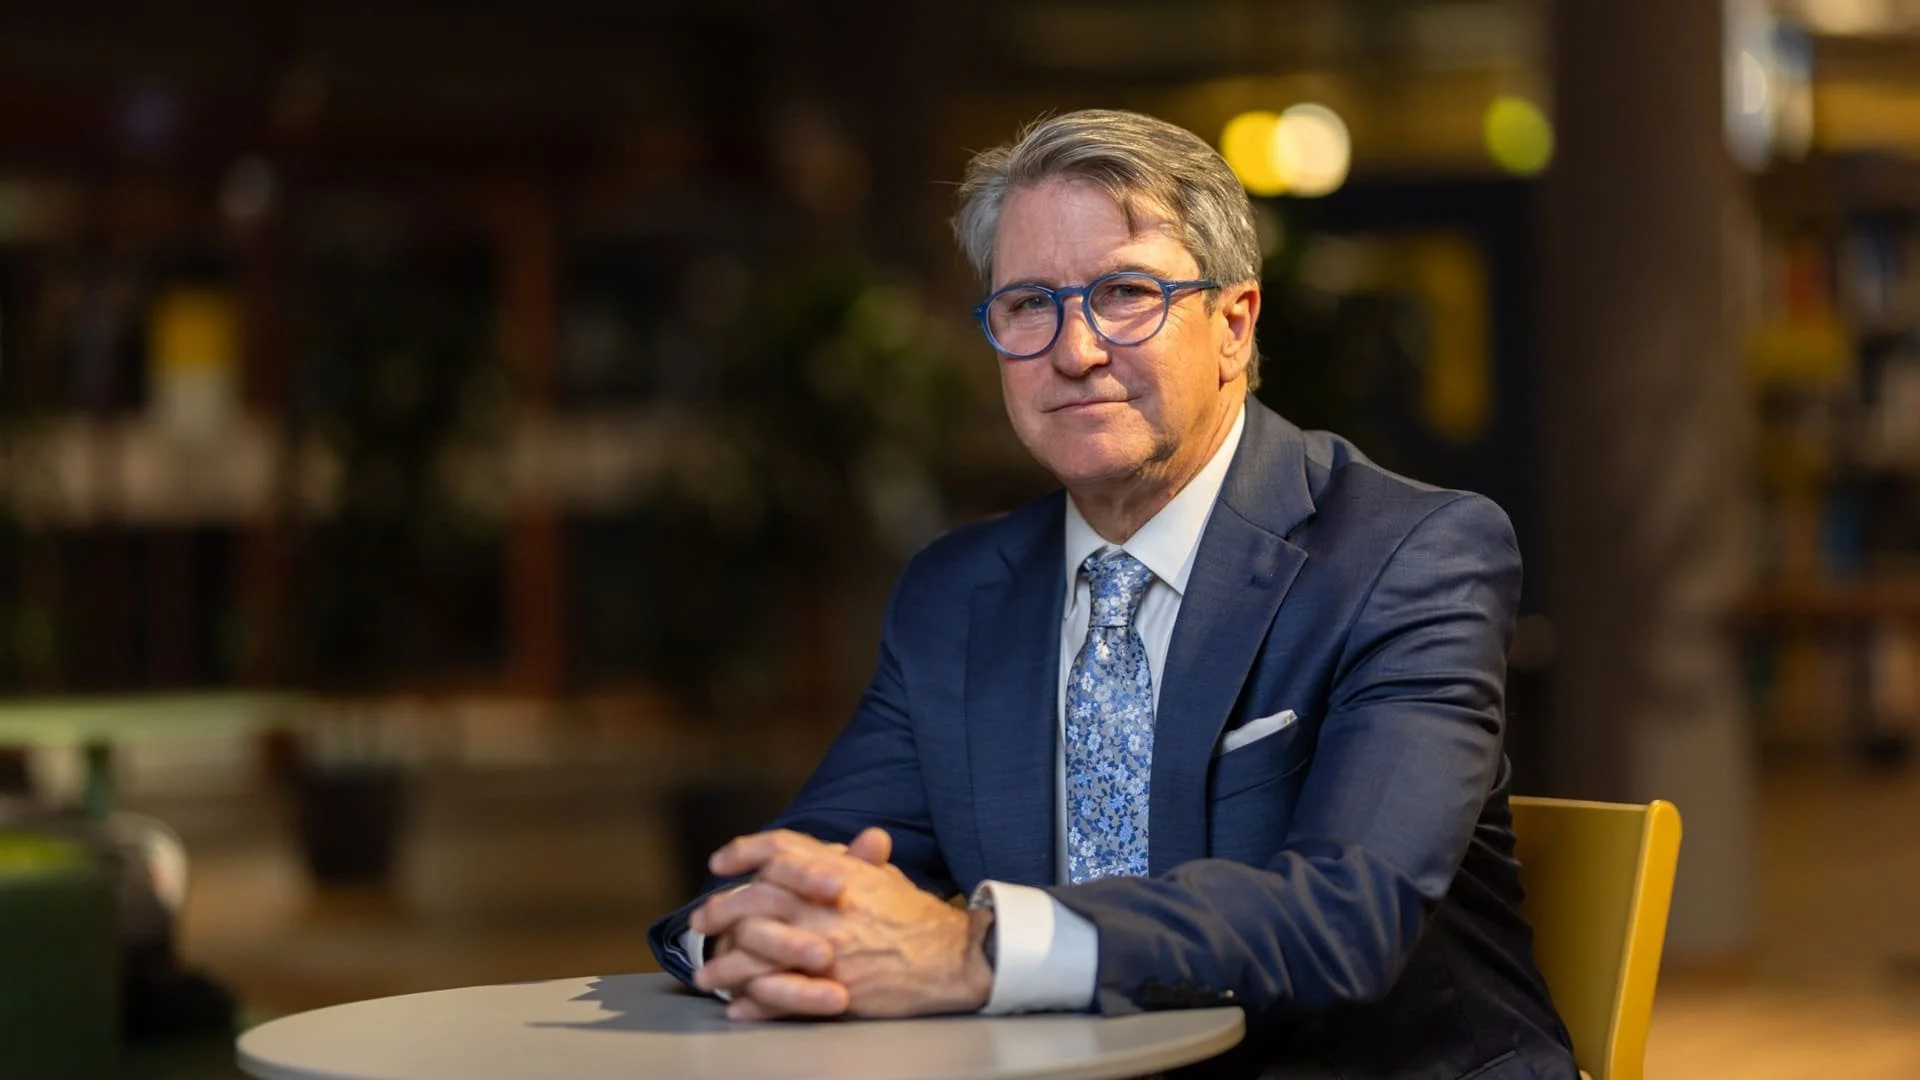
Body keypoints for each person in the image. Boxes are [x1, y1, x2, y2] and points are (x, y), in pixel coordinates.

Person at [649, 108, 1577, 1080]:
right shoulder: (955, 597)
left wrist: (975, 950)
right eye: (1028, 304)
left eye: (1126, 293)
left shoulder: (1407, 557)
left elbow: (1346, 916)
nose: (1075, 350)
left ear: (1234, 324)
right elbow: (800, 867)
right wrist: (754, 933)